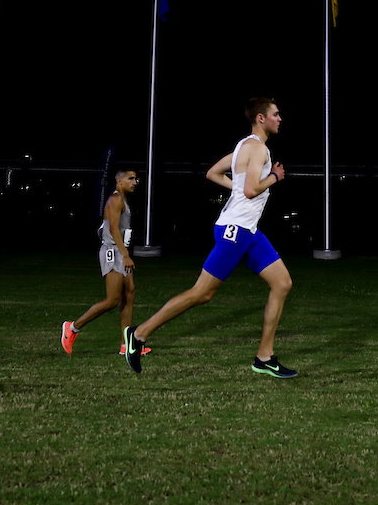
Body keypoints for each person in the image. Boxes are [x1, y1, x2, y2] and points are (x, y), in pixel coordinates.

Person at [124, 97, 296, 377]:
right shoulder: (259, 149)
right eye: (276, 114)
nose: (280, 118)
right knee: (201, 293)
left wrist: (238, 188)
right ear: (261, 118)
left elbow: (213, 173)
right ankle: (139, 334)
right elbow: (252, 190)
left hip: (248, 231)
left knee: (282, 283)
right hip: (235, 231)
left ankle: (264, 357)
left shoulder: (243, 145)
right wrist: (275, 177)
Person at [62, 169, 151, 356]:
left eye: (136, 179)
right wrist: (125, 255)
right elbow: (113, 229)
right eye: (131, 179)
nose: (135, 182)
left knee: (130, 294)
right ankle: (72, 328)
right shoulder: (116, 199)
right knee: (112, 300)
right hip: (113, 251)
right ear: (119, 181)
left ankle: (126, 346)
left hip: (120, 251)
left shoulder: (123, 200)